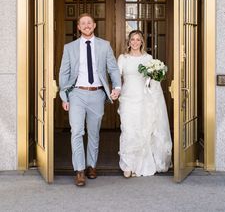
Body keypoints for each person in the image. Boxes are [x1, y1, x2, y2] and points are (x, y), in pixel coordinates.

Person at [59, 13, 121, 187]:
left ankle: (91, 165)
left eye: (89, 23)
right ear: (78, 27)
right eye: (82, 23)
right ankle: (79, 170)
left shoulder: (104, 45)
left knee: (94, 133)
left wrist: (117, 87)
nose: (86, 25)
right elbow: (63, 73)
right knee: (77, 132)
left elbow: (113, 68)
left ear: (94, 25)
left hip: (97, 94)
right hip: (77, 94)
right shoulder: (69, 47)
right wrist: (64, 96)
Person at [117, 30, 172, 178]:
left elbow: (153, 82)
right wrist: (115, 91)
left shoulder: (149, 58)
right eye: (132, 39)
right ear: (129, 42)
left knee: (142, 130)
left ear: (142, 42)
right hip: (127, 99)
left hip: (144, 100)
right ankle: (128, 164)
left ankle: (139, 164)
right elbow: (117, 78)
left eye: (138, 40)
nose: (135, 42)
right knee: (128, 130)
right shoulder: (123, 58)